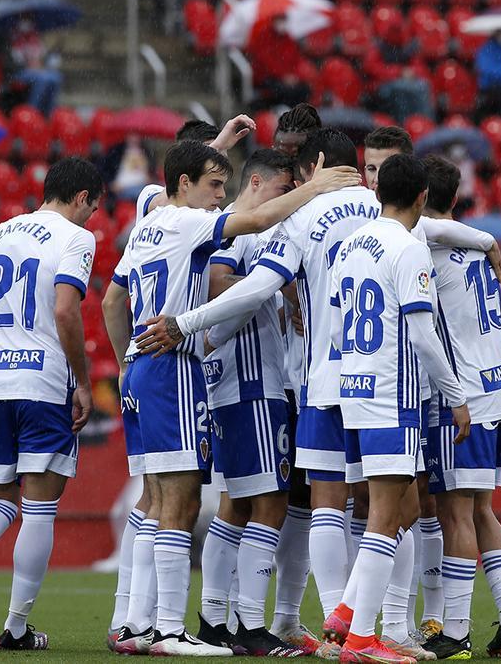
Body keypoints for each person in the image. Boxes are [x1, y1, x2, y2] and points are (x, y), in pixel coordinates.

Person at [109, 140, 360, 655]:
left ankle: (144, 623)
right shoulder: (195, 223)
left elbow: (114, 300)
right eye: (212, 186)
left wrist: (122, 362)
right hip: (216, 375)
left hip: (147, 364)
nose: (217, 199)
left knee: (173, 502)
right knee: (220, 502)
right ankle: (199, 627)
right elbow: (240, 242)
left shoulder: (147, 222)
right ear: (185, 183)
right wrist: (316, 189)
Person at [0, 158, 101, 651]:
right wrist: (85, 382)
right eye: (92, 208)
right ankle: (15, 628)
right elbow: (65, 309)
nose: (92, 218)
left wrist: (0, 350)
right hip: (44, 385)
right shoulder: (76, 239)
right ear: (80, 198)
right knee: (40, 509)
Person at [326, 153, 470, 664]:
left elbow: (341, 320)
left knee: (402, 507)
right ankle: (362, 640)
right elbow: (423, 334)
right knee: (386, 517)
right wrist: (454, 396)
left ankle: (346, 613)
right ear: (422, 198)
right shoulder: (408, 249)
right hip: (394, 397)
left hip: (355, 391)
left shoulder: (351, 244)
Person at [195, 149, 321, 658]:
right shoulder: (245, 231)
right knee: (271, 500)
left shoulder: (239, 229)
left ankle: (212, 617)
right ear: (256, 184)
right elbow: (216, 280)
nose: (286, 203)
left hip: (235, 383)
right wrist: (278, 287)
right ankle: (249, 623)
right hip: (249, 383)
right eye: (281, 191)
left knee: (239, 503)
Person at [418, 154, 501, 659]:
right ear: (456, 200)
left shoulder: (425, 248)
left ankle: (456, 631)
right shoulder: (474, 253)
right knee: (482, 511)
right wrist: (485, 239)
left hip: (464, 400)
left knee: (455, 516)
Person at [249, 15, 309, 108]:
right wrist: (283, 76)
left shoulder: (288, 39)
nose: (282, 23)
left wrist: (295, 76)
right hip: (266, 78)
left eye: (284, 19)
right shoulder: (264, 37)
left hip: (285, 78)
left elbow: (295, 60)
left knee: (304, 89)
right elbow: (265, 62)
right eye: (280, 19)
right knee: (283, 90)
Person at [9, 18, 63, 116]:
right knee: (42, 80)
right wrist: (28, 63)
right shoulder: (13, 38)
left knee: (56, 78)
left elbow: (43, 58)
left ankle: (48, 113)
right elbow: (14, 62)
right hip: (20, 73)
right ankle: (32, 112)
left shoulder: (36, 38)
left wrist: (49, 59)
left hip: (38, 71)